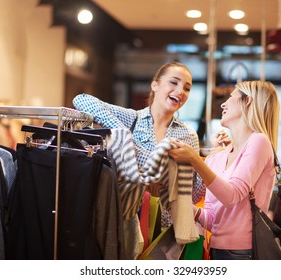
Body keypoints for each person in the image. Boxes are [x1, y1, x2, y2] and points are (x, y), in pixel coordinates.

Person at [72, 61, 230, 257]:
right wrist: (124, 135)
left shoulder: (187, 135)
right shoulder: (132, 119)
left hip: (166, 229)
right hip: (128, 217)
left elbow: (194, 196)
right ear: (155, 85)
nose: (180, 91)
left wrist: (214, 155)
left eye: (187, 88)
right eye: (174, 82)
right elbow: (82, 100)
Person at [169, 80, 281, 260]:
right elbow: (214, 221)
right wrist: (184, 207)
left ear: (248, 101)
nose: (223, 103)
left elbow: (232, 196)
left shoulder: (259, 142)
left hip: (245, 254)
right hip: (216, 251)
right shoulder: (217, 157)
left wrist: (194, 159)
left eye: (230, 97)